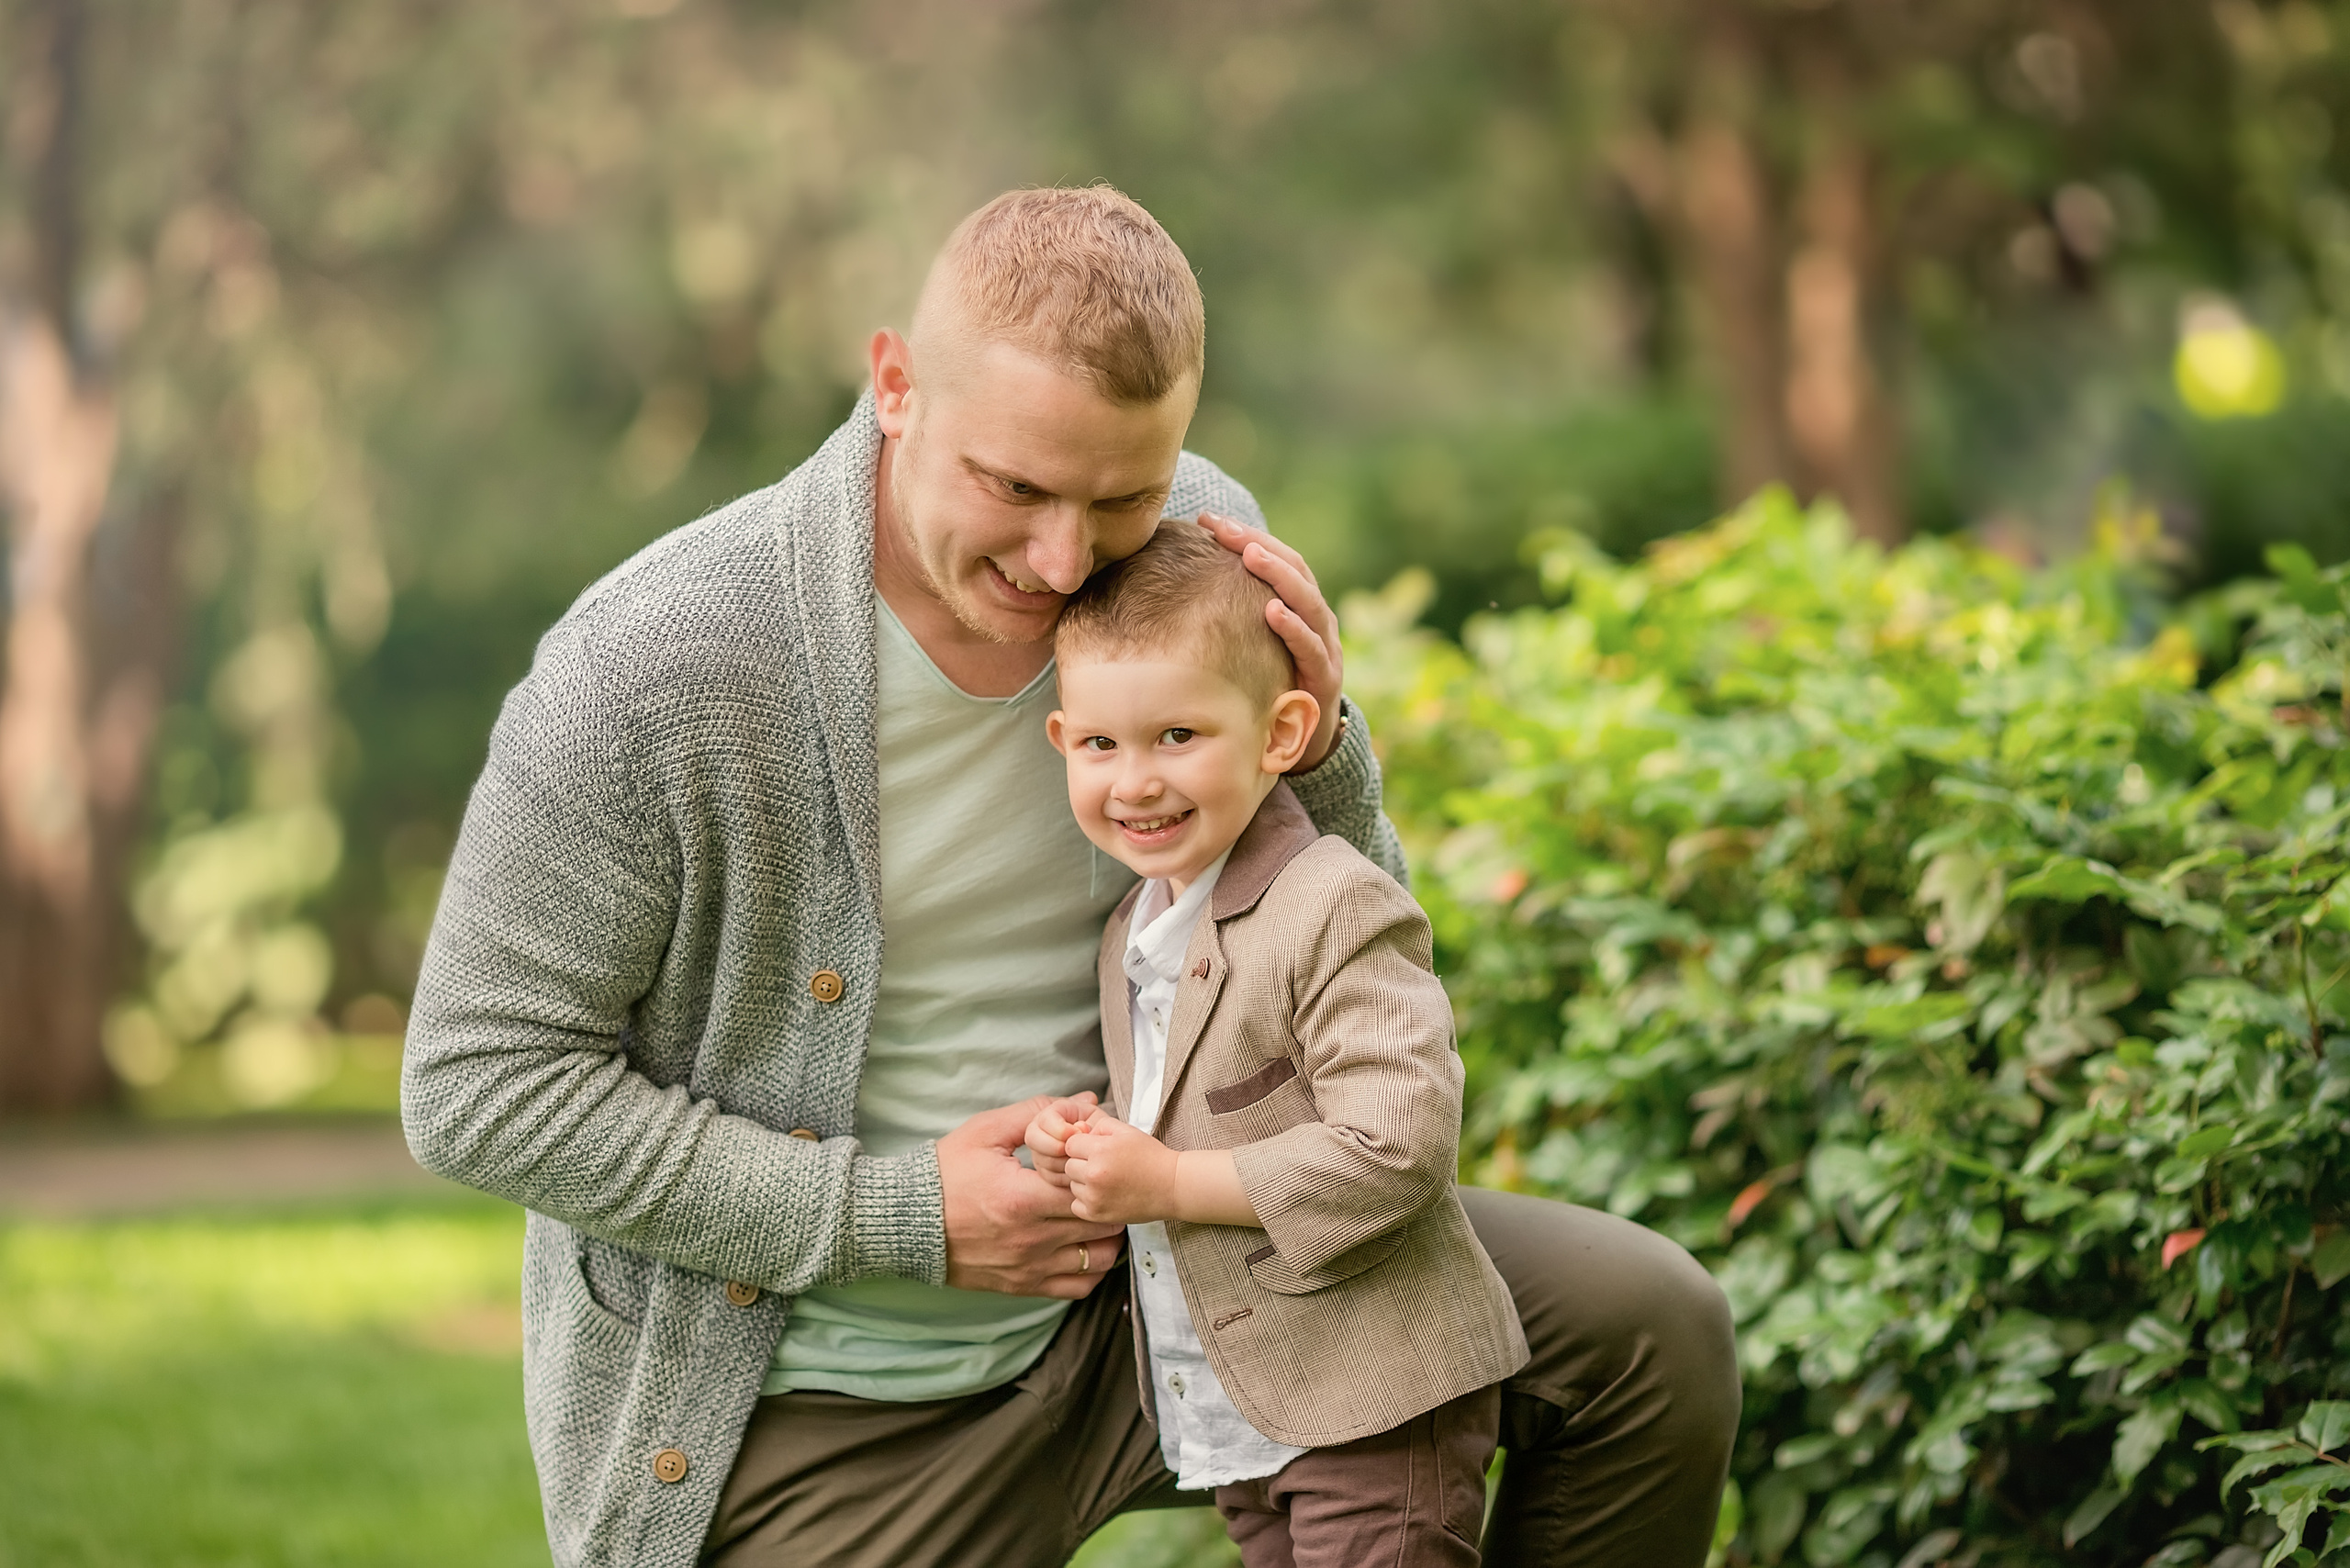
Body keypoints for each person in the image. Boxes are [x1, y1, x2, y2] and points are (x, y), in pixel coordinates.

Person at [402, 184, 1739, 1568]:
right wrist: (905, 1213)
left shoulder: (1199, 548)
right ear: (896, 385)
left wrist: (1323, 750)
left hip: (1179, 1287)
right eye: (1016, 488)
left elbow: (1339, 950)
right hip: (825, 1407)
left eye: (1122, 495)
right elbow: (476, 1084)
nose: (1062, 561)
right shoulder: (655, 667)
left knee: (1646, 1332)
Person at [1025, 520, 1526, 1565]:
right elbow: (1190, 1102)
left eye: (1177, 737)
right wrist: (1095, 1145)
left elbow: (1398, 1146)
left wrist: (1161, 1180)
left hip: (1372, 1411)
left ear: (1283, 732)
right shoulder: (1136, 925)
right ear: (1062, 741)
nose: (1135, 781)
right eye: (1102, 744)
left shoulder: (1334, 903)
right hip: (1241, 1417)